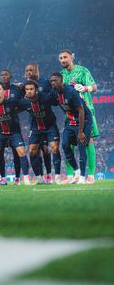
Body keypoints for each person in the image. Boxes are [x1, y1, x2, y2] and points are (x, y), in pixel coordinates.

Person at [59, 49, 99, 184]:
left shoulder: (82, 70)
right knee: (68, 143)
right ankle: (71, 176)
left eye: (65, 57)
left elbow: (95, 87)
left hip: (85, 110)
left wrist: (85, 88)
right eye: (61, 58)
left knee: (88, 141)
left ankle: (91, 175)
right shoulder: (61, 75)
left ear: (72, 58)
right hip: (70, 113)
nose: (63, 60)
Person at [50, 73, 92, 184]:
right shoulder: (54, 93)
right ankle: (77, 171)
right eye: (51, 81)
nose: (53, 83)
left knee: (82, 146)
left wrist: (81, 131)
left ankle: (83, 177)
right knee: (64, 145)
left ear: (61, 80)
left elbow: (81, 110)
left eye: (55, 80)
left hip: (84, 120)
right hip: (70, 122)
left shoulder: (71, 92)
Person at [0, 82, 30, 186]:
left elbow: (26, 104)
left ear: (4, 91)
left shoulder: (13, 102)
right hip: (0, 132)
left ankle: (26, 178)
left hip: (14, 132)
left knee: (21, 152)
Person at [20, 80, 61, 184]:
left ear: (36, 90)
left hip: (50, 126)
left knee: (54, 148)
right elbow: (13, 108)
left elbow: (57, 102)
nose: (29, 91)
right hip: (36, 128)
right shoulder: (24, 102)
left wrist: (54, 91)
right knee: (32, 150)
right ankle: (38, 177)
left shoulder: (45, 98)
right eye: (27, 89)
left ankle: (57, 176)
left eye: (31, 89)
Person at [24, 62, 52, 183]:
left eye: (31, 70)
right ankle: (39, 176)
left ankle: (49, 175)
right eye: (27, 71)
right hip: (34, 122)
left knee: (45, 149)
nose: (29, 72)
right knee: (33, 150)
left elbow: (53, 96)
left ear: (36, 70)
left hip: (46, 121)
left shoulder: (45, 82)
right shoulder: (25, 85)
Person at [0, 69, 22, 186]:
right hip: (0, 128)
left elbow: (23, 102)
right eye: (2, 75)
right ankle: (2, 178)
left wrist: (16, 110)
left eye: (6, 74)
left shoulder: (17, 89)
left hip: (14, 127)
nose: (4, 77)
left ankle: (17, 178)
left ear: (10, 76)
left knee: (16, 153)